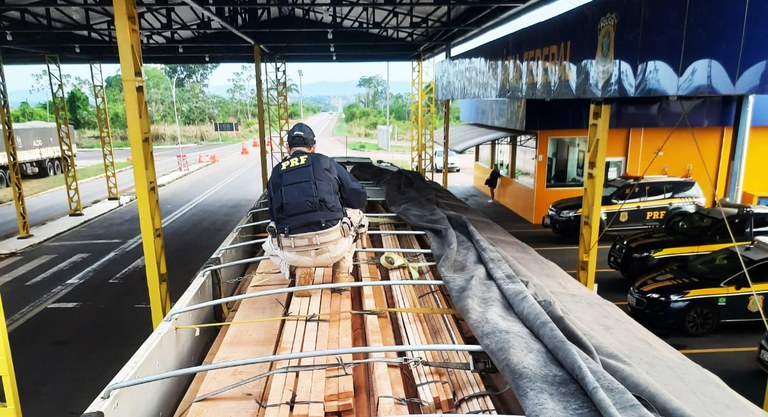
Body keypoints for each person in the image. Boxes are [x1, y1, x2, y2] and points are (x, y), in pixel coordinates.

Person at [262, 122, 369, 289]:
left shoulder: (277, 172)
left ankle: (295, 269)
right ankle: (341, 273)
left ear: (288, 148)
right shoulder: (326, 162)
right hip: (333, 246)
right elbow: (358, 197)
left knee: (268, 244)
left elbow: (273, 215)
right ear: (313, 148)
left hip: (293, 252)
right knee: (357, 217)